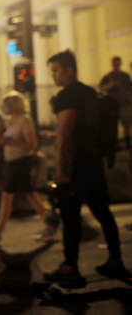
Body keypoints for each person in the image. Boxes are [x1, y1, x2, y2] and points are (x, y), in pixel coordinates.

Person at [44, 49, 130, 283]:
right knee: (102, 212)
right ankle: (115, 261)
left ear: (68, 70)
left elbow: (65, 133)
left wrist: (60, 168)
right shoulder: (90, 93)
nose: (54, 76)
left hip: (75, 165)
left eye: (56, 71)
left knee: (70, 217)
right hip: (93, 161)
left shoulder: (67, 96)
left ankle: (70, 266)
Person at [0, 92, 57, 246]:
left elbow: (32, 145)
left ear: (12, 105)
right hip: (12, 163)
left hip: (21, 163)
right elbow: (10, 140)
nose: (4, 108)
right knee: (31, 196)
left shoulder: (25, 120)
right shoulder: (10, 122)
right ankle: (51, 227)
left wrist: (9, 141)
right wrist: (3, 141)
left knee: (7, 197)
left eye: (6, 104)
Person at [99, 55, 132, 148]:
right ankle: (114, 145)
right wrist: (110, 86)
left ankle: (128, 144)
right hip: (112, 105)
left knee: (127, 125)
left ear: (120, 63)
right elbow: (101, 88)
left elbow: (130, 88)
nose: (116, 64)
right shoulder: (108, 76)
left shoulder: (126, 76)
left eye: (117, 62)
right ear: (112, 64)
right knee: (113, 126)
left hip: (125, 104)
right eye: (114, 63)